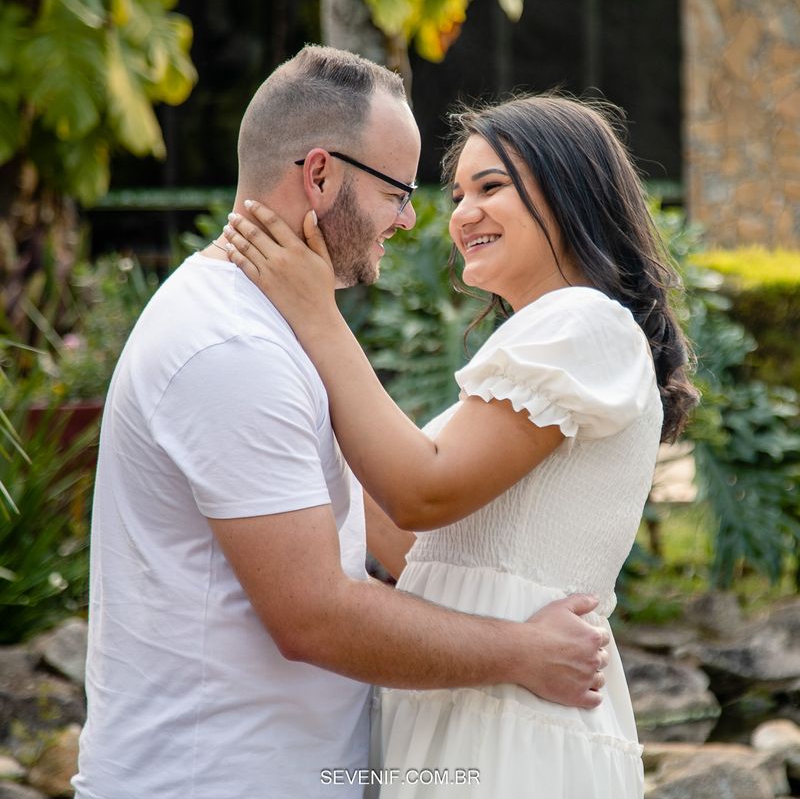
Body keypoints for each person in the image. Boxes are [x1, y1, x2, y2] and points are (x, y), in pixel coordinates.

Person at [72, 48, 613, 799]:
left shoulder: (276, 328)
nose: (410, 216)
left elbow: (383, 537)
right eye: (397, 189)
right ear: (320, 175)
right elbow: (315, 616)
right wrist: (521, 652)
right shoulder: (232, 347)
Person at [222, 92, 699, 797]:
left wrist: (314, 314)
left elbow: (423, 492)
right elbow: (406, 541)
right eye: (457, 194)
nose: (463, 213)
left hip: (516, 724)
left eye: (492, 187)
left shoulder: (583, 322)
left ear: (571, 192)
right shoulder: (549, 337)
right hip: (476, 699)